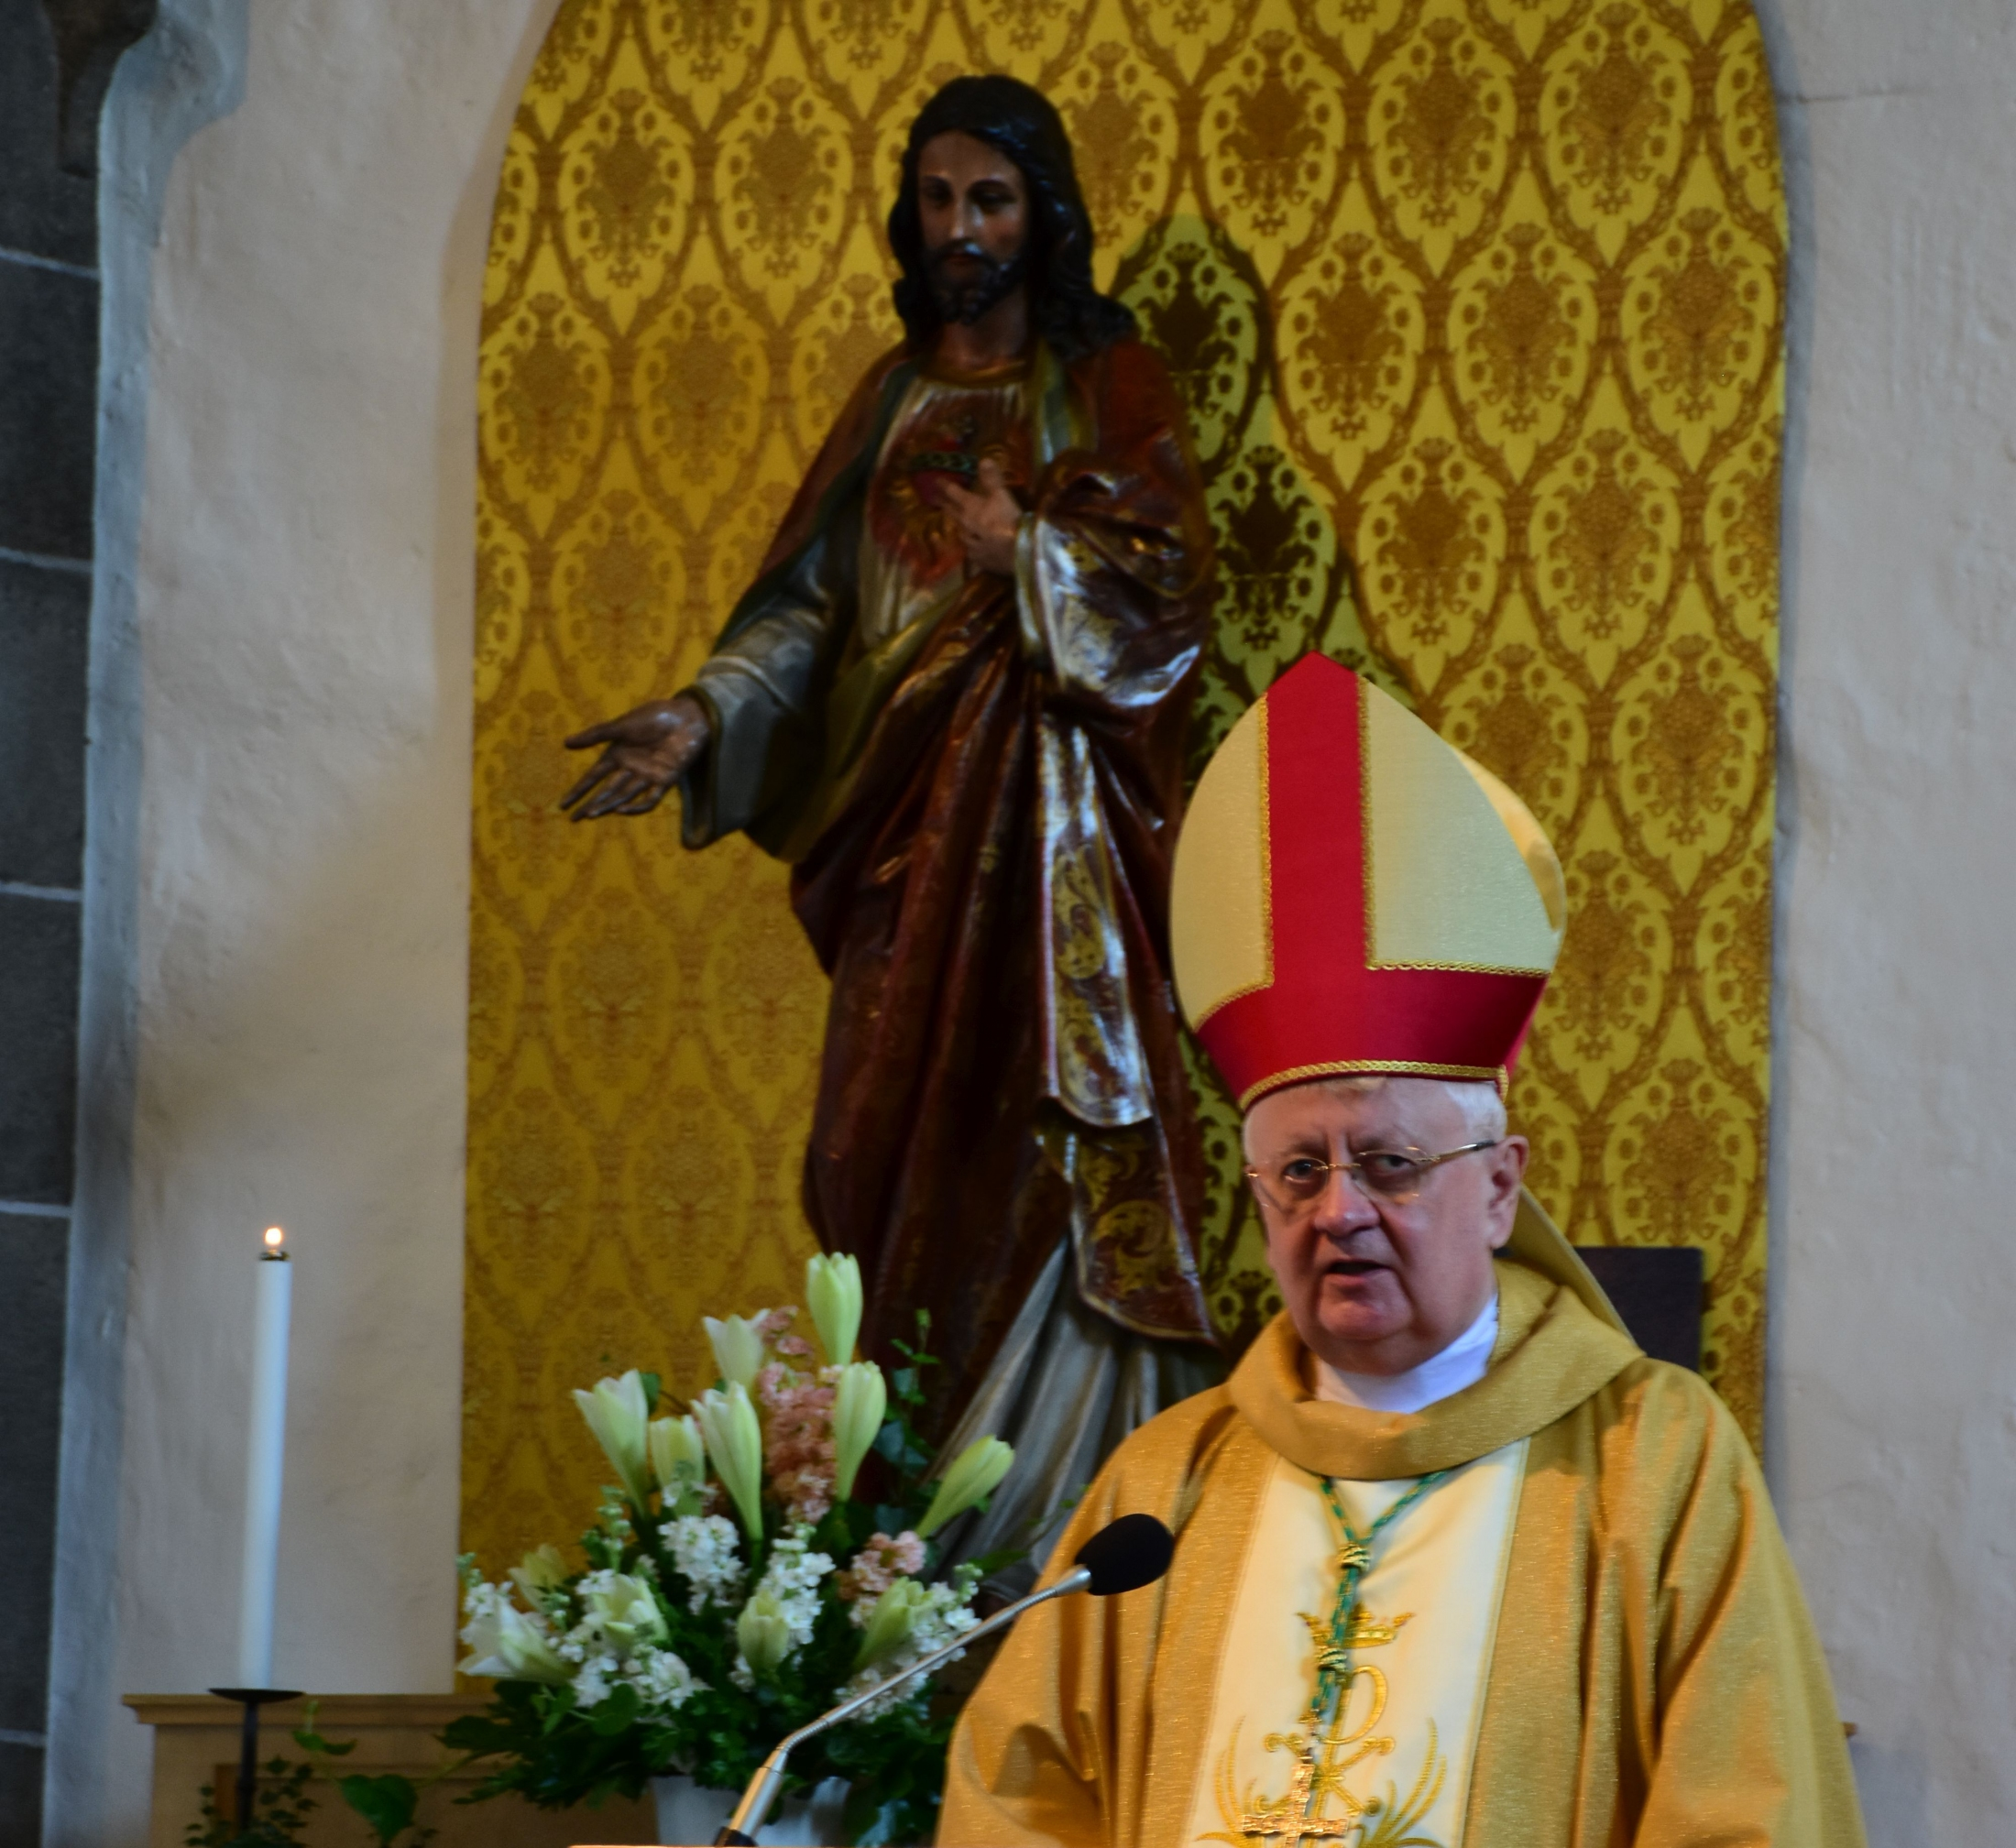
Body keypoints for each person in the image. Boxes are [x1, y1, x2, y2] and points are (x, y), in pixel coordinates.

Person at [939, 653, 1867, 1846]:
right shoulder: (1165, 1484)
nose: (1339, 1211)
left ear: (1499, 1187)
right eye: (1299, 1172)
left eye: (1388, 1163)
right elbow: (1020, 1799)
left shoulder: (1652, 1461)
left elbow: (1750, 1811)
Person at [557, 75, 1221, 1466]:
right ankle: (907, 1479)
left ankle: (1061, 1470)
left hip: (1050, 852)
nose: (961, 227)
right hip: (897, 841)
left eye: (992, 200)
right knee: (873, 1145)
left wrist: (1026, 554)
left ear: (1044, 216)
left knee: (1035, 1132)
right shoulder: (893, 396)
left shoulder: (1103, 383)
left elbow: (1168, 589)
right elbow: (810, 610)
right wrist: (703, 715)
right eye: (938, 198)